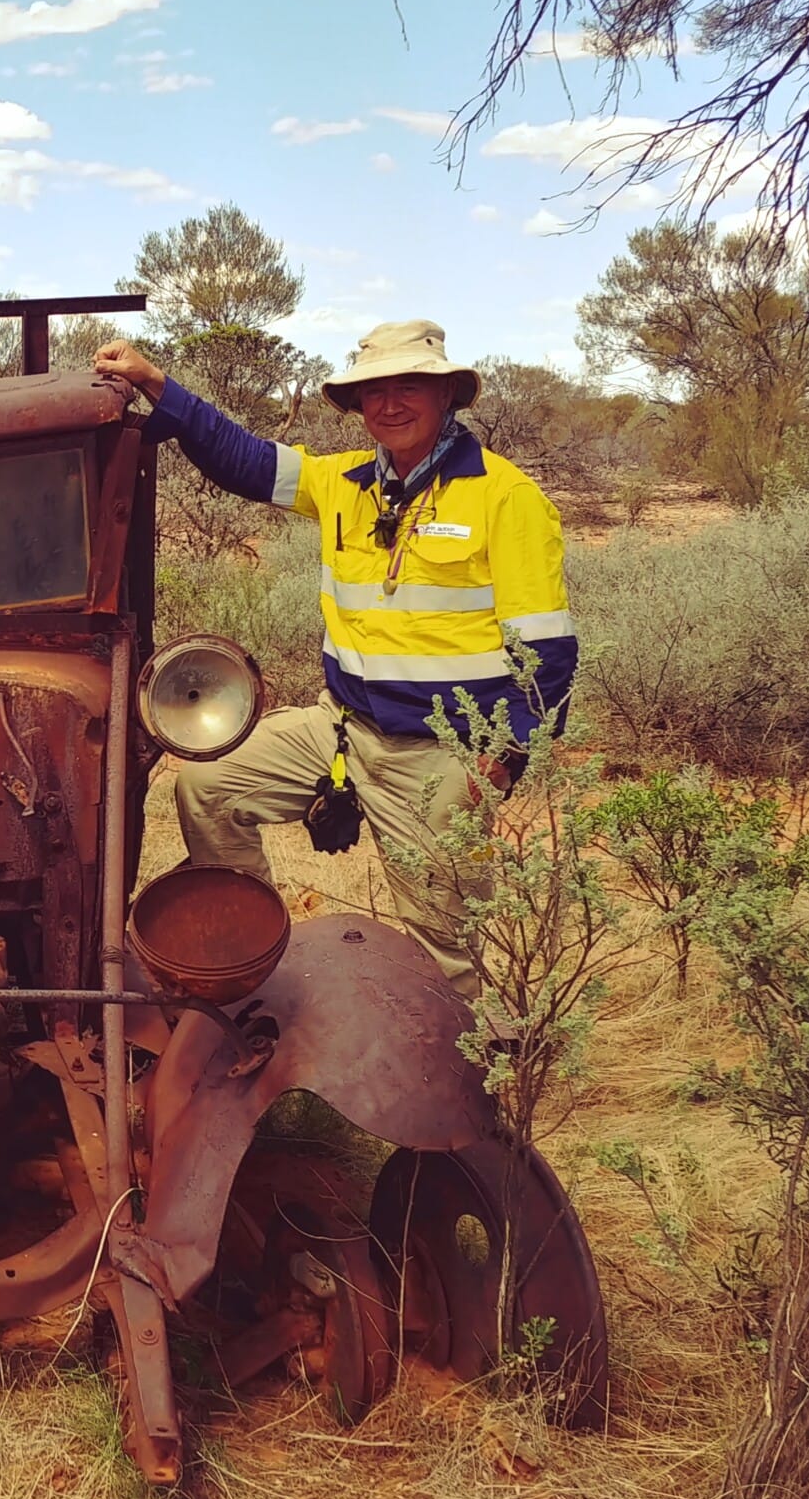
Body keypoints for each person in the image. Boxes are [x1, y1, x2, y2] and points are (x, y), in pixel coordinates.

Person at [95, 320, 576, 1002]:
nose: (389, 403)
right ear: (357, 406)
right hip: (340, 728)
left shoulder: (506, 497)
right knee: (208, 789)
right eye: (372, 390)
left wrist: (505, 757)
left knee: (444, 940)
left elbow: (547, 652)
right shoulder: (343, 483)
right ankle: (253, 965)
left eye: (408, 385)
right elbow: (244, 459)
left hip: (441, 752)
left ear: (446, 396)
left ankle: (474, 1077)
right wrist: (160, 386)